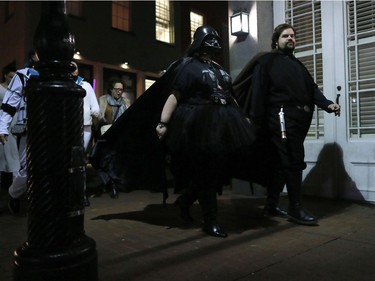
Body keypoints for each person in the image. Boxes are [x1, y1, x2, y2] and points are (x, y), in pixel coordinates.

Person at [90, 25, 255, 238]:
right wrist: (163, 122)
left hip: (224, 123)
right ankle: (210, 219)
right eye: (209, 38)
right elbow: (174, 95)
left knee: (216, 170)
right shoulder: (188, 67)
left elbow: (230, 95)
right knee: (207, 171)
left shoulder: (219, 69)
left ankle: (186, 201)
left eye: (215, 38)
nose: (213, 42)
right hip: (198, 124)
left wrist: (242, 116)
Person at [233, 23, 341, 226]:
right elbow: (258, 92)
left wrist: (328, 104)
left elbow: (312, 90)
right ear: (276, 40)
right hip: (279, 120)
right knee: (292, 161)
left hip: (296, 121)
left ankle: (271, 206)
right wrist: (255, 121)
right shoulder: (266, 61)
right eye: (285, 36)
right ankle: (295, 208)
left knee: (279, 165)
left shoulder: (298, 66)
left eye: (293, 36)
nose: (290, 38)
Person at [0, 49, 39, 215]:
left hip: (54, 129)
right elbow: (9, 103)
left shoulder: (60, 73)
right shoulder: (24, 75)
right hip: (29, 128)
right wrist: (2, 127)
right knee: (26, 169)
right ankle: (14, 193)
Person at [72, 61, 100, 206]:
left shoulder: (86, 85)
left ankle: (80, 193)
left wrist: (95, 112)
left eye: (75, 67)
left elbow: (95, 106)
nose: (73, 69)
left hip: (85, 126)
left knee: (79, 159)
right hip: (68, 125)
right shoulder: (64, 83)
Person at [0, 66, 19, 192]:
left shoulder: (15, 89)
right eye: (10, 77)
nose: (12, 79)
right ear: (5, 75)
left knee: (13, 155)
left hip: (15, 126)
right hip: (3, 124)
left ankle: (14, 189)